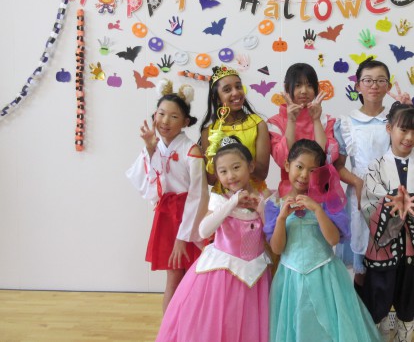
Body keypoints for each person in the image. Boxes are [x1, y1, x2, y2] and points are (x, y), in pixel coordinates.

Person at [333, 57, 414, 293]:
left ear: (388, 86)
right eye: (368, 80)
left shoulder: (398, 119)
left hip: (398, 195)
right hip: (362, 197)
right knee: (364, 265)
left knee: (397, 257)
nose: (374, 85)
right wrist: (357, 182)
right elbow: (338, 166)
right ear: (358, 85)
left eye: (380, 80)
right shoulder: (346, 123)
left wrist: (412, 110)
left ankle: (391, 310)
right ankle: (365, 314)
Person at [265, 139, 382, 342]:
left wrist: (318, 210)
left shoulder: (328, 202)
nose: (304, 175)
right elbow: (277, 248)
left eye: (312, 171)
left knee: (330, 327)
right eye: (299, 167)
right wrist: (282, 218)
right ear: (287, 166)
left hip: (325, 277)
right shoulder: (275, 204)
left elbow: (333, 239)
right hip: (291, 279)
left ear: (319, 173)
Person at [156, 142, 271, 342]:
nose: (231, 176)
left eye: (236, 167)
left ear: (250, 166)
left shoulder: (264, 198)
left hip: (255, 274)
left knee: (249, 324)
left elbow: (271, 234)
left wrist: (261, 209)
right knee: (221, 322)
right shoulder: (219, 200)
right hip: (221, 276)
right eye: (223, 171)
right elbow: (204, 230)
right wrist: (232, 203)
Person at [360, 102, 414, 342]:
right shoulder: (375, 166)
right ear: (389, 128)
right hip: (383, 249)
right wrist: (393, 204)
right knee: (377, 301)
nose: (409, 138)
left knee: (410, 302)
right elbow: (369, 203)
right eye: (404, 130)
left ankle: (403, 338)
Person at [125, 79, 208, 313]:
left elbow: (198, 195)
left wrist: (183, 237)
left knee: (194, 276)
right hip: (167, 217)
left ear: (186, 122)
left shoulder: (191, 150)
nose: (165, 121)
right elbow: (145, 181)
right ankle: (169, 329)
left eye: (173, 116)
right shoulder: (155, 145)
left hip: (189, 218)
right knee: (173, 275)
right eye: (161, 114)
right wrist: (149, 147)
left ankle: (189, 325)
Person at [268, 62, 339, 195]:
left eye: (309, 85)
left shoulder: (326, 121)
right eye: (298, 85)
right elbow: (282, 160)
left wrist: (316, 120)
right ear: (287, 88)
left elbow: (326, 159)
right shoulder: (275, 123)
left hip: (322, 193)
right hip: (290, 195)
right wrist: (291, 121)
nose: (304, 91)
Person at [199, 65, 270, 194]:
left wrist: (236, 155)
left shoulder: (258, 125)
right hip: (223, 199)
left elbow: (262, 173)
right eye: (227, 90)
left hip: (253, 196)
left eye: (238, 87)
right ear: (217, 98)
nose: (236, 92)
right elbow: (211, 179)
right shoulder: (209, 132)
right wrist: (213, 157)